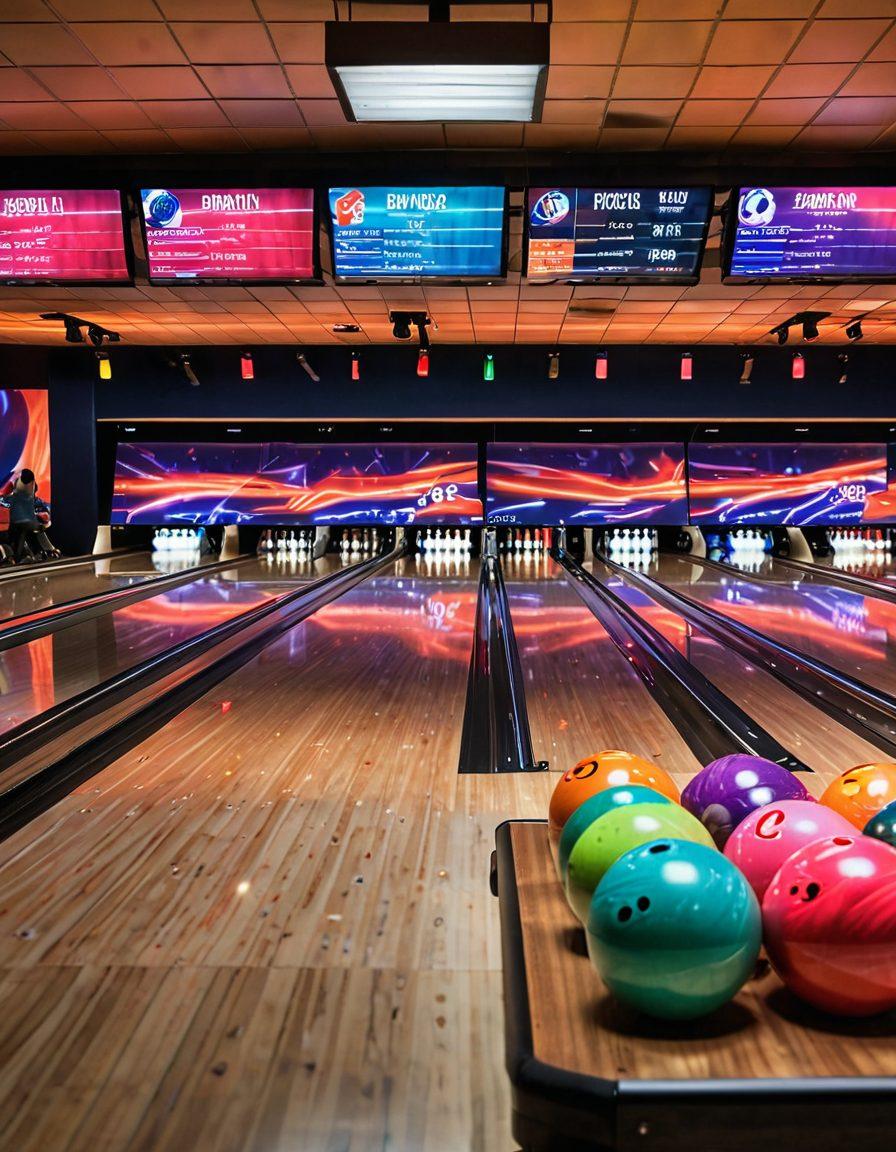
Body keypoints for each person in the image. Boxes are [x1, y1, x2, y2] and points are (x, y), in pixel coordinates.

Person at [4, 469, 57, 563]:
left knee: (34, 529)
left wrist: (41, 515)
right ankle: (23, 554)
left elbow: (45, 513)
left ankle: (45, 551)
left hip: (28, 525)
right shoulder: (9, 500)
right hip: (12, 528)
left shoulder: (36, 502)